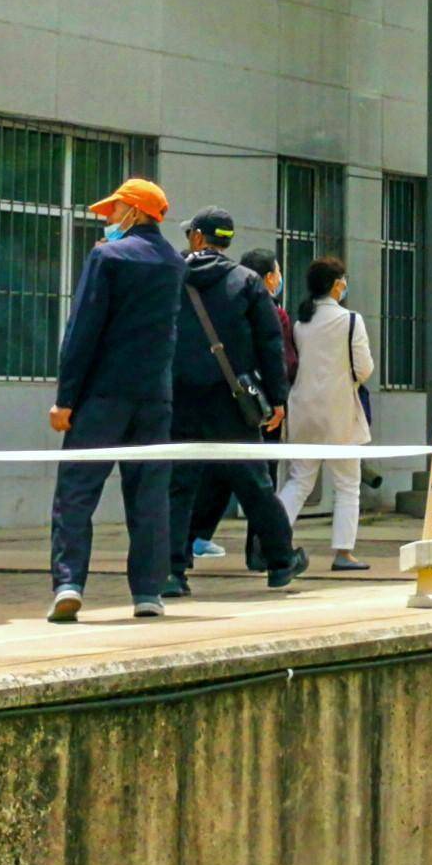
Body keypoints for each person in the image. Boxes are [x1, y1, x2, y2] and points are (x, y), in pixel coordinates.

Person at [45, 178, 184, 622]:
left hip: (102, 395)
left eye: (112, 212)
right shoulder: (173, 263)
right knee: (148, 496)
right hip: (154, 396)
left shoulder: (108, 256)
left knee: (77, 492)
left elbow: (83, 329)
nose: (107, 220)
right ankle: (148, 591)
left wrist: (66, 398)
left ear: (134, 211)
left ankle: (69, 583)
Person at [167, 212, 298, 594]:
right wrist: (277, 399)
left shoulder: (172, 277)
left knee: (177, 486)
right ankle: (279, 561)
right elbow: (270, 346)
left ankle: (172, 572)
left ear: (197, 238)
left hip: (179, 397)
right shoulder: (248, 282)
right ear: (227, 241)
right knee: (255, 483)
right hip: (233, 401)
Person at [277, 255, 377, 573]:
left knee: (299, 481)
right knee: (348, 485)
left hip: (303, 410)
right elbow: (364, 369)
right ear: (336, 285)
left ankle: (272, 539)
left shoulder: (300, 322)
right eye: (343, 280)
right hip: (340, 413)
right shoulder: (350, 320)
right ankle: (343, 553)